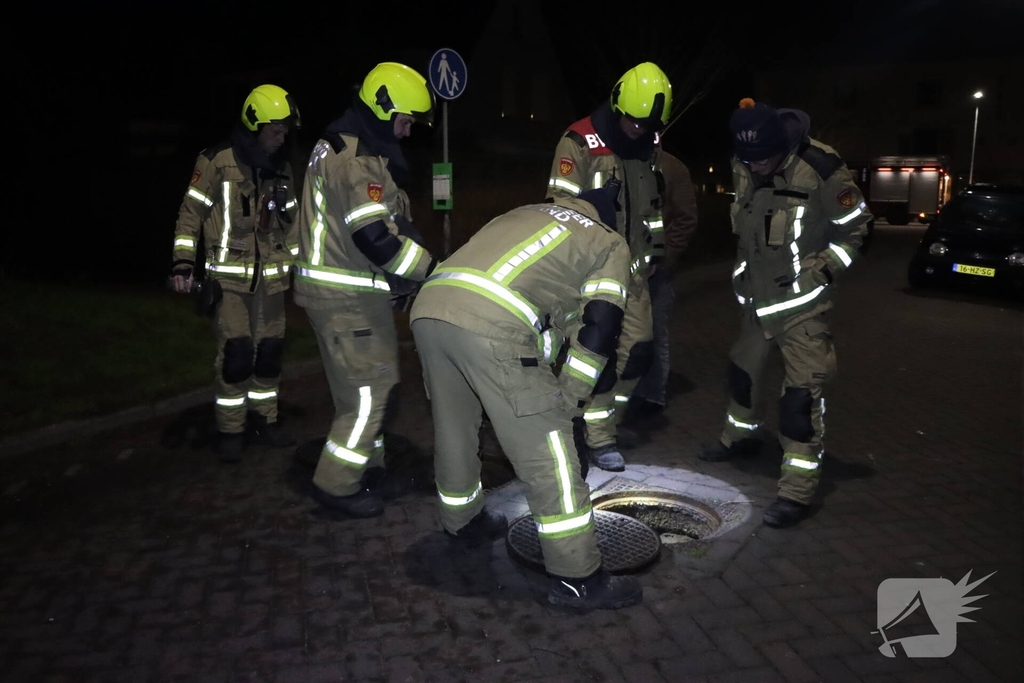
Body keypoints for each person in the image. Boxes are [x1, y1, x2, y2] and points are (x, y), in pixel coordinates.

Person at [409, 187, 644, 610]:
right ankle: (578, 579)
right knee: (550, 452)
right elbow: (601, 325)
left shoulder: (526, 211)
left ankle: (462, 522)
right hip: (492, 324)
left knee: (454, 428)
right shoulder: (608, 241)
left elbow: (554, 320)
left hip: (431, 308)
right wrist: (568, 403)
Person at [700, 98, 872, 528]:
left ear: (784, 146)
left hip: (802, 307)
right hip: (756, 303)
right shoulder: (744, 163)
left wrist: (821, 272)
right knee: (743, 377)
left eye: (764, 160)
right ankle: (739, 438)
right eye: (748, 160)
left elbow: (857, 229)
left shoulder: (822, 169)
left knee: (800, 401)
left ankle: (796, 492)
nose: (755, 168)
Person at [292, 62, 438, 518]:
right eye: (406, 120)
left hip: (346, 293)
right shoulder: (356, 159)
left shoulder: (347, 146)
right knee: (372, 393)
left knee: (359, 392)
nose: (409, 131)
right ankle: (337, 484)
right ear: (383, 107)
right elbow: (374, 237)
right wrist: (432, 272)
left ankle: (366, 464)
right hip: (347, 298)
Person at [545, 62, 672, 472]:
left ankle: (599, 421)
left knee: (638, 352)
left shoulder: (645, 147)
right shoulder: (579, 142)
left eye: (648, 127)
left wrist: (654, 254)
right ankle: (594, 437)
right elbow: (558, 211)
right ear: (618, 107)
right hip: (590, 272)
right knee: (591, 353)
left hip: (633, 273)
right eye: (634, 124)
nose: (639, 132)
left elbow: (650, 211)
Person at [170, 84, 302, 462]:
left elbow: (292, 222)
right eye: (275, 131)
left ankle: (266, 420)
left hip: (273, 279)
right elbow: (189, 215)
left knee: (270, 351)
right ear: (254, 124)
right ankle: (232, 430)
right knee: (237, 352)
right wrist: (182, 262)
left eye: (285, 132)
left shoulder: (280, 168)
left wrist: (299, 266)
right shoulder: (216, 162)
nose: (281, 139)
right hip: (228, 279)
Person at [631, 148, 699, 418]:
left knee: (655, 330)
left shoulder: (673, 167)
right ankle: (628, 391)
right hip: (622, 266)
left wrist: (665, 257)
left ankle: (653, 396)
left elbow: (686, 217)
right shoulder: (619, 160)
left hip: (656, 270)